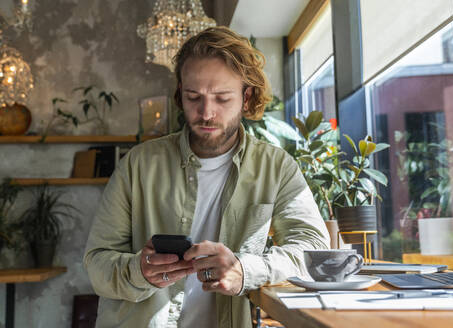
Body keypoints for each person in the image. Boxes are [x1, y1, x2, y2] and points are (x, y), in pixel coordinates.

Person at [84, 26, 330, 328]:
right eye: (193, 97)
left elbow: (313, 249)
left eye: (222, 98)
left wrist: (246, 269)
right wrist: (139, 270)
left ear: (246, 96)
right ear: (180, 95)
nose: (206, 112)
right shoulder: (138, 164)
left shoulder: (276, 167)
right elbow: (96, 262)